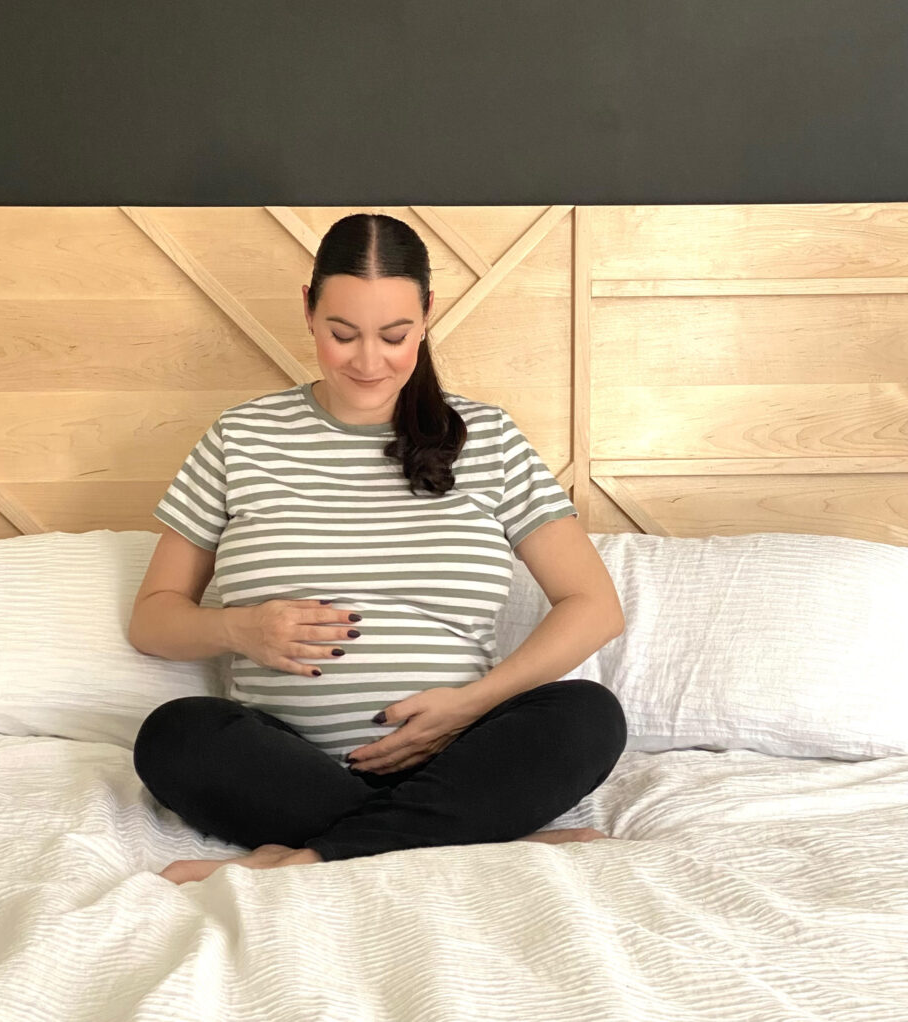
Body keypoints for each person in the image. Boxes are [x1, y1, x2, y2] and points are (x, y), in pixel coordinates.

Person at [129, 213, 628, 883]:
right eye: (343, 334)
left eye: (394, 336)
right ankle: (479, 843)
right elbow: (154, 619)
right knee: (175, 735)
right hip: (290, 769)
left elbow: (593, 605)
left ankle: (311, 859)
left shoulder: (488, 437)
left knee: (588, 717)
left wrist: (470, 705)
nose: (369, 361)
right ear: (308, 310)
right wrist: (238, 628)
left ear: (426, 314)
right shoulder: (239, 438)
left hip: (460, 756)